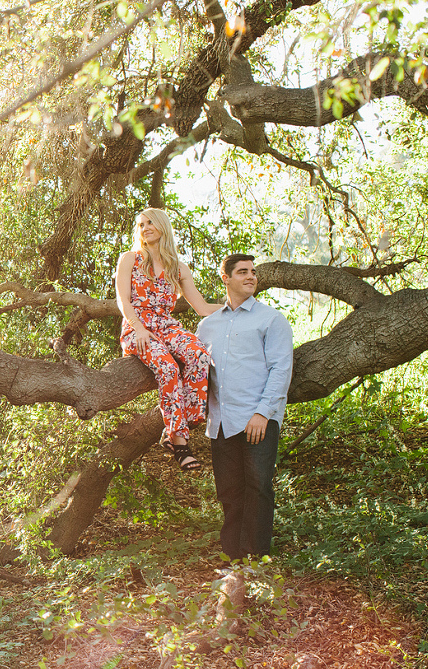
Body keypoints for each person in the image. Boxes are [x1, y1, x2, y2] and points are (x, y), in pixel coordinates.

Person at [196, 253, 294, 560]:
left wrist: (262, 413)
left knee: (258, 486)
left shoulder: (271, 320)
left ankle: (256, 557)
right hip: (222, 421)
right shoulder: (207, 326)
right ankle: (232, 558)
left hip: (258, 419)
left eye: (253, 272)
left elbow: (281, 369)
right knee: (229, 490)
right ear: (226, 278)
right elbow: (199, 374)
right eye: (242, 272)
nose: (251, 276)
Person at [115, 208, 223, 471]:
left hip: (166, 326)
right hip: (137, 327)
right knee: (168, 367)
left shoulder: (178, 267)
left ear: (163, 226)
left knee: (198, 355)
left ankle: (182, 425)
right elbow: (123, 300)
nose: (145, 227)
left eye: (150, 222)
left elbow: (202, 307)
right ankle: (180, 443)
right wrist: (139, 328)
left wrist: (239, 305)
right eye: (141, 224)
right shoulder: (130, 259)